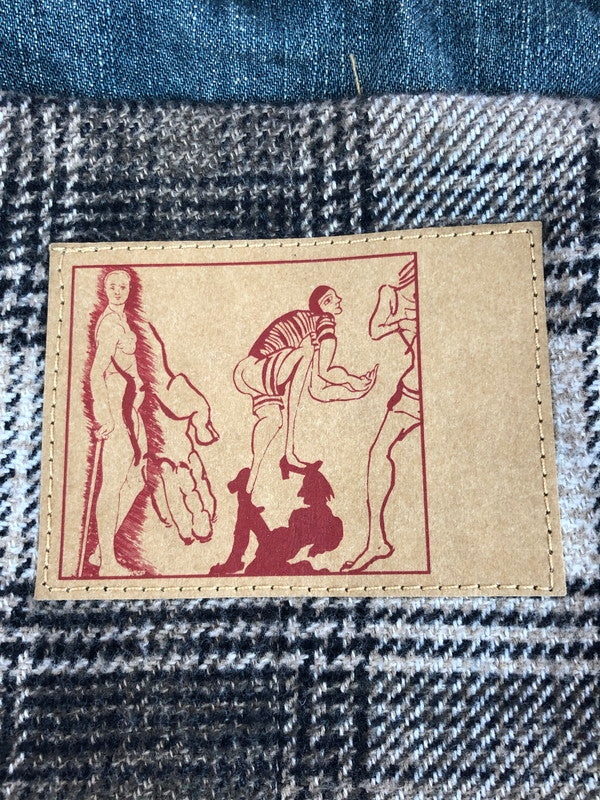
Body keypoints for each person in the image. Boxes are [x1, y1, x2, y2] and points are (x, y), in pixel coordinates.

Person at [233, 285, 377, 495]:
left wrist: (355, 391)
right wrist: (352, 381)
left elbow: (317, 389)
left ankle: (247, 488)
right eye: (331, 299)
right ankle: (289, 454)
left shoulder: (310, 329)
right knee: (305, 353)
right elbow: (325, 372)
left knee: (273, 421)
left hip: (252, 373)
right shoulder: (323, 321)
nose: (339, 300)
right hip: (260, 369)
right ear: (323, 306)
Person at [343, 258, 422, 572]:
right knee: (378, 452)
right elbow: (375, 329)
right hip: (413, 389)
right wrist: (402, 322)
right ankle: (376, 540)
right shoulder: (392, 294)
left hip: (443, 386)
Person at [87, 269, 147, 576]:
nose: (118, 291)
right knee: (112, 485)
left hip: (129, 407)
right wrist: (104, 416)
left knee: (136, 480)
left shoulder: (122, 320)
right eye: (113, 286)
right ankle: (108, 564)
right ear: (105, 289)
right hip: (115, 407)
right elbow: (96, 372)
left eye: (123, 286)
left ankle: (101, 551)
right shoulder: (110, 324)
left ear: (129, 289)